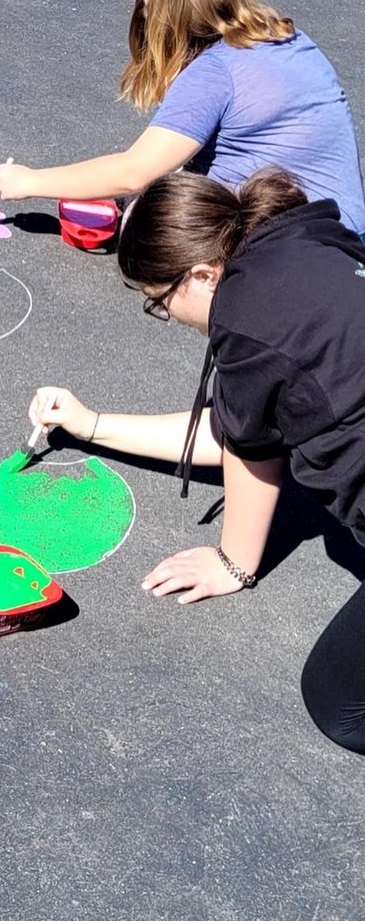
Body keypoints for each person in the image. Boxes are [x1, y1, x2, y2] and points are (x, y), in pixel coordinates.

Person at [27, 166, 365, 753]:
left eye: (157, 302)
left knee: (339, 705)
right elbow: (237, 426)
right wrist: (92, 425)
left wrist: (233, 563)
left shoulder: (247, 316)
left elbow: (249, 447)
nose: (165, 316)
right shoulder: (297, 238)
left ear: (203, 274)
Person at [0, 0, 365, 235]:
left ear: (174, 28)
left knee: (143, 219)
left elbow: (134, 171)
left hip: (292, 243)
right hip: (346, 229)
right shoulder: (291, 40)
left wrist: (29, 180)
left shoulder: (215, 69)